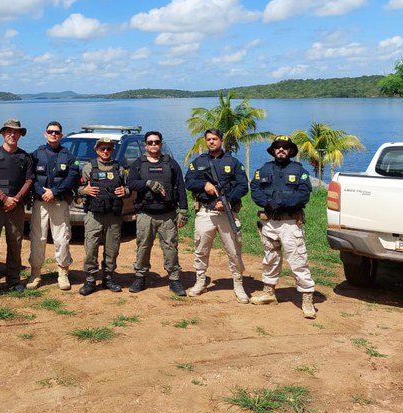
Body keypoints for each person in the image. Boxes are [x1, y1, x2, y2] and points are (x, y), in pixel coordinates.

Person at [249, 135, 316, 319]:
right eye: (278, 147)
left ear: (290, 151)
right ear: (273, 150)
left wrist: (284, 204)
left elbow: (304, 193)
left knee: (298, 260)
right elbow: (255, 188)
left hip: (289, 223)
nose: (281, 149)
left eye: (285, 147)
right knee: (270, 258)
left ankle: (307, 299)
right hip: (270, 222)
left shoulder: (299, 170)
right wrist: (267, 203)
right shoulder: (264, 169)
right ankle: (269, 293)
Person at [184, 128, 250, 303]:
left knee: (234, 250)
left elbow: (243, 186)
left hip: (226, 212)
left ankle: (238, 284)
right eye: (208, 139)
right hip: (206, 212)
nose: (211, 142)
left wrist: (228, 200)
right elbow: (188, 181)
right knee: (201, 249)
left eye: (214, 139)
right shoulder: (198, 162)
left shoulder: (233, 162)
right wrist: (204, 184)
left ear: (221, 140)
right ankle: (200, 281)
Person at [127, 131, 188, 296]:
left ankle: (174, 279)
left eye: (156, 142)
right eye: (150, 142)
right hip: (145, 214)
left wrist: (183, 210)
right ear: (145, 145)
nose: (153, 145)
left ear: (161, 144)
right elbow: (131, 183)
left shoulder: (171, 163)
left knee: (170, 248)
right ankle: (140, 276)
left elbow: (180, 187)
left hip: (167, 214)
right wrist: (147, 183)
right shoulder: (138, 164)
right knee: (143, 247)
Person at [0, 119, 35, 294]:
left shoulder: (25, 157)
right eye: (9, 131)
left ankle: (13, 279)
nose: (12, 134)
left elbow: (29, 180)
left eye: (16, 132)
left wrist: (16, 199)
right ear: (3, 133)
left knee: (15, 242)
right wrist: (4, 198)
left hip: (16, 207)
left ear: (20, 135)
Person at [26, 121, 79, 291]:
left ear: (61, 135)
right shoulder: (36, 154)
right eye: (50, 131)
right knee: (37, 238)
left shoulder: (68, 155)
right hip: (40, 202)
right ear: (45, 134)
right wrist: (42, 192)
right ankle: (35, 274)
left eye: (57, 132)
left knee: (61, 238)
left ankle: (63, 273)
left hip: (59, 202)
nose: (53, 134)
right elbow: (30, 177)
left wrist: (54, 192)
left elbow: (72, 177)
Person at [76, 137, 128, 296]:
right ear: (96, 150)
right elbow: (77, 188)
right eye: (102, 148)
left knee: (112, 249)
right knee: (91, 248)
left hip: (113, 215)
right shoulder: (88, 167)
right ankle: (90, 279)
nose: (106, 151)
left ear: (112, 150)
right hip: (94, 214)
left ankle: (108, 277)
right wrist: (83, 191)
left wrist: (125, 191)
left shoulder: (119, 169)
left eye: (109, 149)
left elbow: (127, 187)